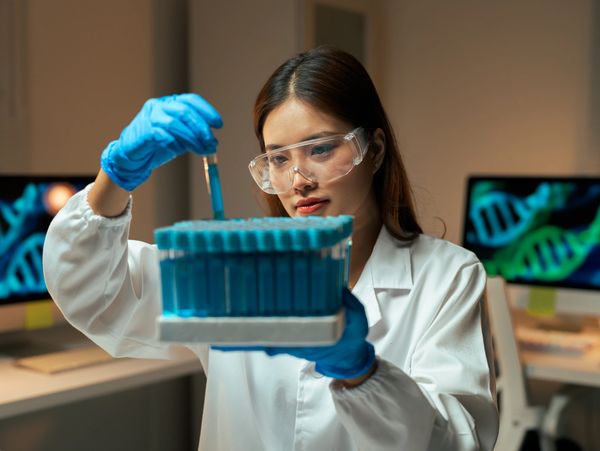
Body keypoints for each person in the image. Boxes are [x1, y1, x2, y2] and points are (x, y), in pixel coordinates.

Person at [43, 46, 498, 450]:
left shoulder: (448, 276)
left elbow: (458, 442)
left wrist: (362, 371)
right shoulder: (232, 270)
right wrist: (113, 181)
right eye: (279, 158)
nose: (298, 180)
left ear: (373, 150)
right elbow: (97, 299)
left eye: (319, 149)